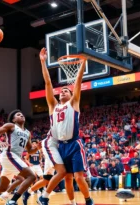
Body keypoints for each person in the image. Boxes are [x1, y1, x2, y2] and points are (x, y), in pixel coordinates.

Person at [38, 47, 93, 205]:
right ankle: (72, 203)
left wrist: (83, 63)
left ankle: (88, 200)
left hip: (74, 144)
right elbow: (48, 83)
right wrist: (43, 62)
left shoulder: (74, 103)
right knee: (67, 178)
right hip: (61, 146)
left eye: (65, 90)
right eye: (61, 91)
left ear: (70, 95)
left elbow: (78, 81)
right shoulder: (52, 106)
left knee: (78, 177)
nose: (62, 92)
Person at [23, 131, 75, 205]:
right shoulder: (56, 130)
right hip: (51, 151)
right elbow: (27, 156)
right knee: (61, 173)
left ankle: (28, 192)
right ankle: (42, 196)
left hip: (59, 152)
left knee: (46, 180)